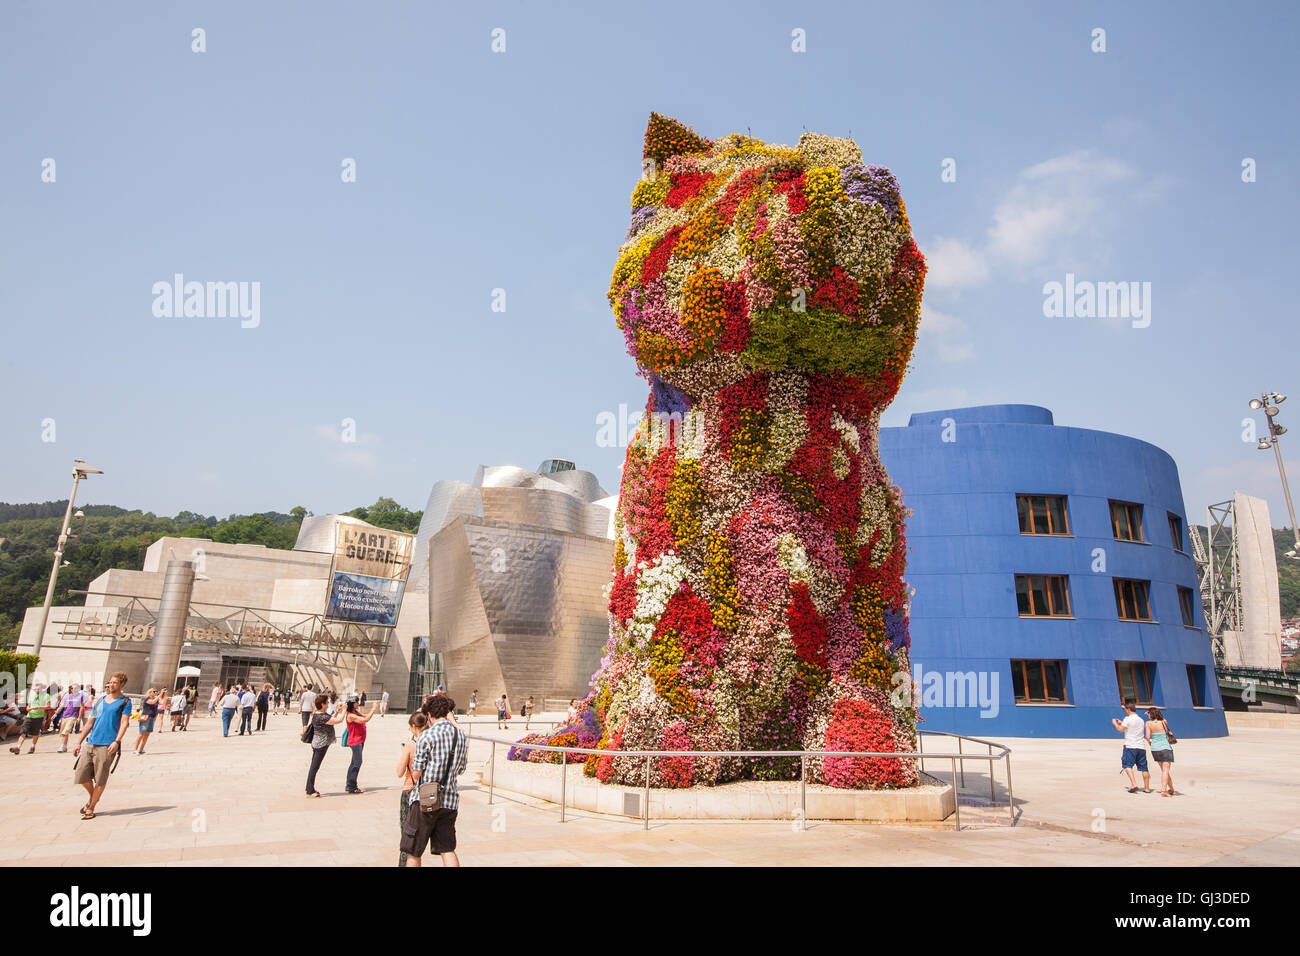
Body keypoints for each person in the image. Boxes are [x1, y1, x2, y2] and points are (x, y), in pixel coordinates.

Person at [402, 695, 469, 867]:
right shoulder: (460, 736)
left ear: (430, 714)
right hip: (450, 800)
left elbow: (416, 773)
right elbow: (461, 769)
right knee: (447, 849)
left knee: (414, 851)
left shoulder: (427, 736)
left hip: (425, 799)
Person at [73, 672, 133, 820]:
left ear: (121, 684)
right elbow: (90, 722)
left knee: (100, 778)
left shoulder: (125, 702)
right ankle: (94, 797)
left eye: (114, 682)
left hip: (107, 745)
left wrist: (117, 741)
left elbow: (124, 723)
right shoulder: (100, 701)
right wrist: (78, 742)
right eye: (110, 682)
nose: (110, 685)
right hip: (91, 742)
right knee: (81, 775)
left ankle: (91, 806)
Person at [396, 711, 429, 867]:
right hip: (428, 793)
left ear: (414, 727)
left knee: (408, 837)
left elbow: (399, 772)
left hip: (410, 790)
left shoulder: (411, 745)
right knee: (420, 839)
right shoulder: (433, 742)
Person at [305, 693, 346, 797]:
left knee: (314, 766)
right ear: (322, 704)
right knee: (314, 767)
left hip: (318, 743)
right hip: (320, 745)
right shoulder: (321, 716)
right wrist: (344, 710)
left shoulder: (319, 714)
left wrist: (337, 710)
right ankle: (309, 790)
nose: (328, 704)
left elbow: (331, 719)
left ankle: (309, 788)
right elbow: (338, 721)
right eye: (327, 703)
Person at [1112, 700, 1151, 794]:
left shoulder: (1127, 719)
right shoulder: (1141, 720)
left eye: (1125, 709)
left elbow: (1120, 730)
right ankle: (1147, 788)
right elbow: (1131, 727)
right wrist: (1122, 722)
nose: (1125, 711)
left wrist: (1115, 723)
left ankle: (1134, 783)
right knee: (1144, 768)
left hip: (1130, 746)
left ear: (1128, 709)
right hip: (1141, 747)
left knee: (1126, 765)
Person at [343, 697, 379, 793]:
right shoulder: (350, 715)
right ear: (352, 704)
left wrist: (372, 711)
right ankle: (351, 786)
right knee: (357, 762)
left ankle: (350, 784)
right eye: (356, 702)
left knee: (354, 762)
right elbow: (365, 720)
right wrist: (373, 709)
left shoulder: (355, 712)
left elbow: (365, 716)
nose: (358, 703)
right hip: (355, 741)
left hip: (359, 740)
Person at [9, 682, 51, 755]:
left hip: (39, 717)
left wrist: (39, 707)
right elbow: (28, 706)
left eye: (38, 689)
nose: (36, 691)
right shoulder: (32, 695)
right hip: (29, 716)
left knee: (35, 733)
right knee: (23, 731)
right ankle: (18, 747)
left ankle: (32, 746)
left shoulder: (46, 696)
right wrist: (28, 709)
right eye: (36, 689)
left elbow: (48, 706)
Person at [1146, 706, 1176, 796]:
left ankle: (1171, 789)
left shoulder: (1148, 723)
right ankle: (1163, 791)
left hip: (1155, 749)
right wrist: (1155, 714)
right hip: (1165, 748)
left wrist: (1151, 744)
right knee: (1165, 770)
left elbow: (1147, 737)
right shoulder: (1163, 721)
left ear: (1150, 714)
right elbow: (1162, 719)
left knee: (1164, 770)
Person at [55, 684, 87, 752]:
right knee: (63, 733)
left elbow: (82, 707)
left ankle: (62, 746)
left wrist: (79, 717)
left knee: (66, 731)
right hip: (65, 715)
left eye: (76, 688)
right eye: (73, 688)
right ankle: (64, 746)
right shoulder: (66, 696)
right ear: (71, 689)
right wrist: (55, 714)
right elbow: (61, 706)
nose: (74, 689)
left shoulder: (80, 696)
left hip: (73, 716)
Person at [133, 689, 160, 754]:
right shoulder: (147, 699)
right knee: (141, 733)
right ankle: (135, 749)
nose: (155, 692)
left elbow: (162, 703)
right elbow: (152, 702)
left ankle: (141, 749)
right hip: (146, 717)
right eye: (154, 691)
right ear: (150, 693)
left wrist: (164, 695)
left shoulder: (156, 700)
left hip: (152, 717)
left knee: (147, 734)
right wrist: (160, 695)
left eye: (156, 691)